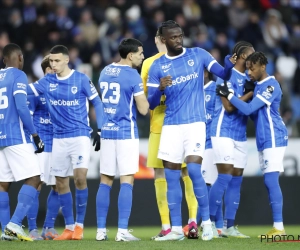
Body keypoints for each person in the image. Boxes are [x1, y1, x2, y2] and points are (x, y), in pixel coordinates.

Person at [147, 20, 237, 241]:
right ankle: (176, 229)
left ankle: (206, 223)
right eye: (173, 37)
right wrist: (160, 89)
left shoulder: (198, 54)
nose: (178, 40)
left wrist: (229, 63)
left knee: (195, 172)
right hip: (170, 125)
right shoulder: (157, 67)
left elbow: (223, 74)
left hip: (195, 123)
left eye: (180, 35)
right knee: (171, 176)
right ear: (164, 40)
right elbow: (151, 103)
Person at [27, 45, 104, 240]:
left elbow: (97, 102)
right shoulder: (47, 81)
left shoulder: (81, 79)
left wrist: (100, 129)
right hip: (58, 138)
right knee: (61, 182)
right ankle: (69, 227)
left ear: (67, 60)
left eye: (57, 61)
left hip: (79, 136)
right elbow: (27, 90)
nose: (53, 64)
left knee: (79, 177)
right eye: (51, 61)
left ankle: (79, 226)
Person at [216, 51, 288, 237]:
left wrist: (229, 96)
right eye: (247, 69)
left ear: (263, 66)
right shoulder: (257, 86)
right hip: (264, 139)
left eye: (252, 68)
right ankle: (277, 226)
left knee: (271, 180)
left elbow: (248, 108)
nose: (249, 73)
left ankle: (279, 228)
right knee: (268, 181)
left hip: (274, 137)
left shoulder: (270, 86)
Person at [141, 29, 198, 240]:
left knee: (187, 173)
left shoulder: (187, 58)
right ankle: (167, 225)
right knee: (164, 174)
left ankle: (191, 222)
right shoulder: (149, 64)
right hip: (159, 124)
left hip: (182, 123)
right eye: (162, 38)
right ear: (158, 39)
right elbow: (146, 96)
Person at [95, 38, 149, 242]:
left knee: (105, 180)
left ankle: (101, 231)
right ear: (130, 55)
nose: (142, 57)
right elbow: (143, 109)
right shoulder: (132, 75)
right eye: (140, 53)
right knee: (127, 180)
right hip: (126, 132)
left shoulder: (105, 71)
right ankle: (122, 231)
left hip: (108, 132)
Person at [209, 41, 255, 238]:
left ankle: (230, 226)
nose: (254, 59)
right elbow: (228, 107)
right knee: (225, 176)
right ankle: (208, 222)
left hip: (240, 133)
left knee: (236, 180)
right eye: (251, 55)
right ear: (243, 57)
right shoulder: (225, 77)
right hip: (222, 130)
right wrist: (249, 94)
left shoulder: (249, 78)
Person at [0, 43, 44, 241]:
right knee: (35, 178)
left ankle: (5, 231)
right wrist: (34, 134)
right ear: (19, 57)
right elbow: (21, 107)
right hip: (15, 135)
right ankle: (14, 225)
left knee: (2, 184)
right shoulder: (18, 75)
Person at [25, 55, 60, 240]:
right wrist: (34, 139)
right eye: (49, 69)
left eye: (56, 68)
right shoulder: (36, 91)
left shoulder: (61, 90)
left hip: (58, 144)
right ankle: (32, 229)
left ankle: (49, 228)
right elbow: (28, 118)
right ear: (44, 70)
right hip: (40, 145)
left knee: (57, 186)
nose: (53, 72)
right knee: (35, 185)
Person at [197, 69, 225, 238]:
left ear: (206, 73)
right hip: (199, 142)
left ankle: (211, 223)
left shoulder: (215, 88)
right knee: (212, 184)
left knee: (209, 184)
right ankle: (218, 225)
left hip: (211, 141)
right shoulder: (194, 89)